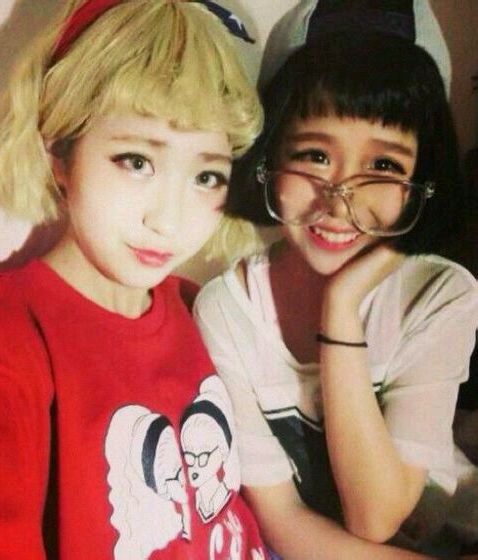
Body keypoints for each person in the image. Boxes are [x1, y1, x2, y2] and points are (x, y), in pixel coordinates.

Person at [0, 1, 267, 558]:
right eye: (137, 161)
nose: (169, 220)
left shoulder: (198, 309)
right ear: (60, 153)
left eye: (206, 176)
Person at [193, 2, 478, 559]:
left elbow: (377, 513)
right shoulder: (226, 310)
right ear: (270, 155)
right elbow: (282, 520)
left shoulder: (441, 295)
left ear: (422, 178)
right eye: (315, 155)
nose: (340, 199)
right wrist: (341, 307)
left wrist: (342, 308)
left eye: (384, 166)